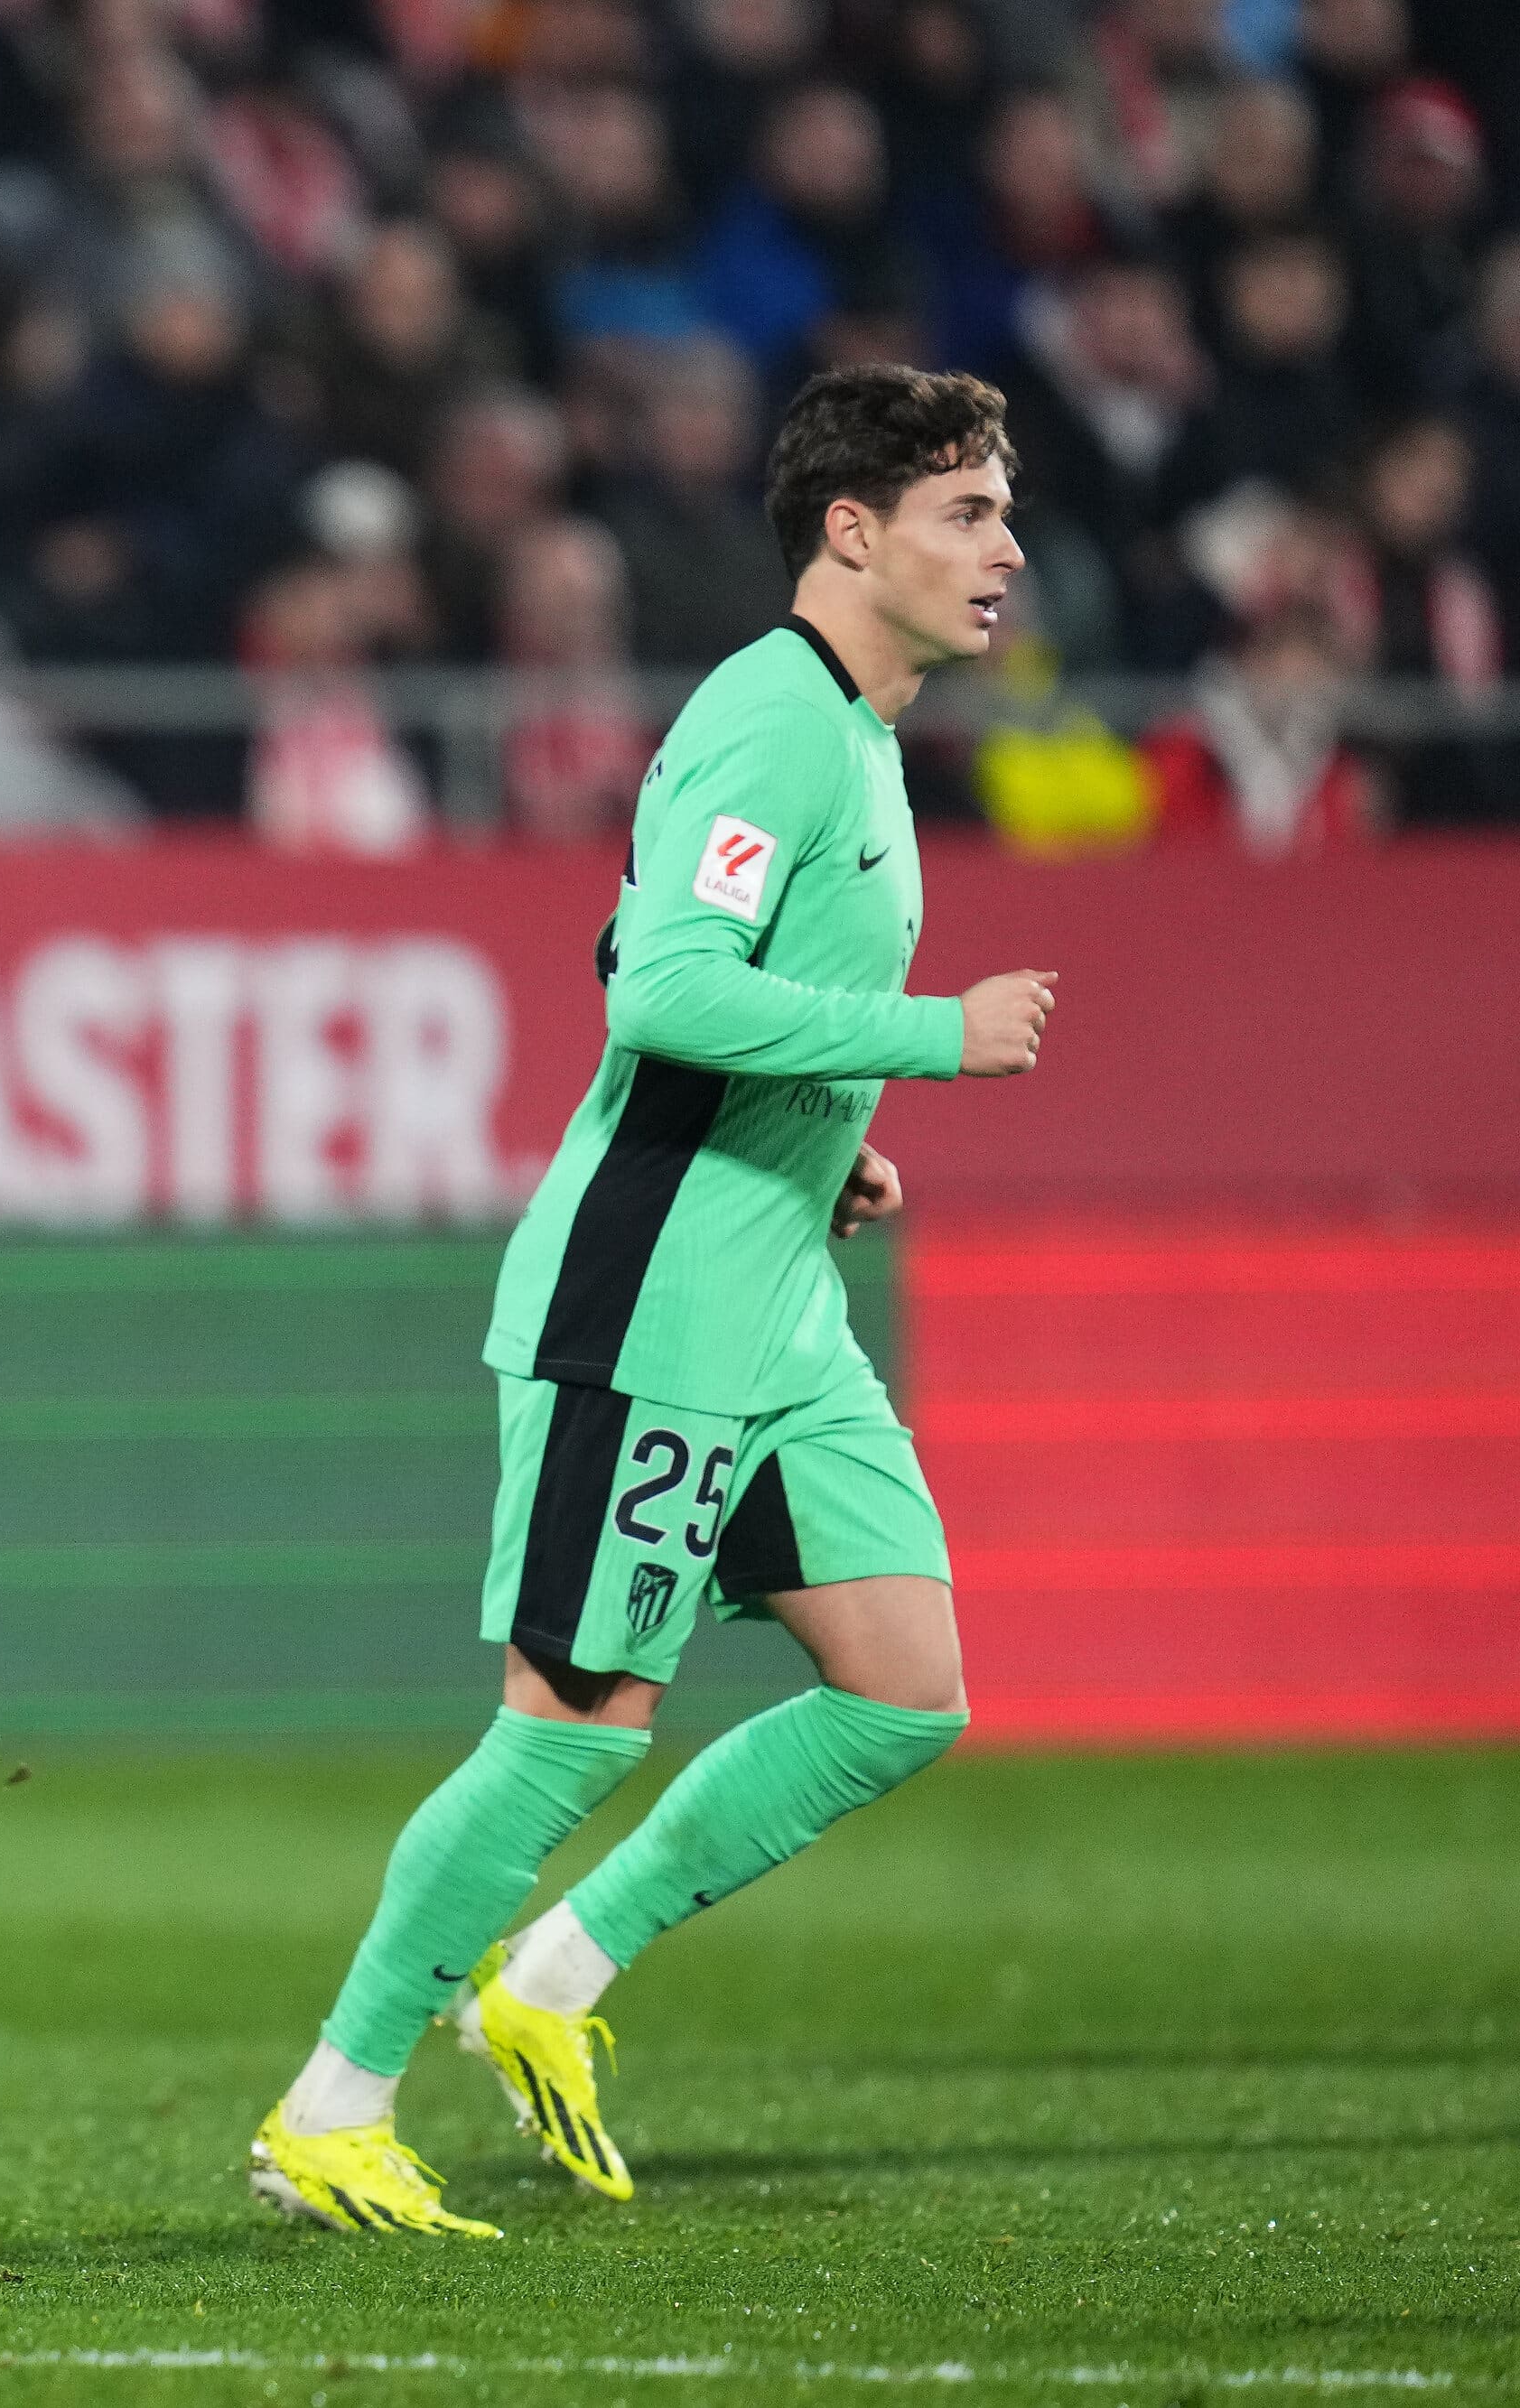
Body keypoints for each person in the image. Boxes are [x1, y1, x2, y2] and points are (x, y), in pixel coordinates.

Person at [247, 364, 1059, 2236]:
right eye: (964, 510)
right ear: (847, 532)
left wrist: (820, 1123)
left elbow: (640, 935)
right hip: (659, 1300)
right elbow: (660, 988)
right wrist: (926, 1040)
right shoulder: (773, 721)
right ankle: (329, 2099)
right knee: (569, 1719)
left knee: (901, 1685)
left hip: (776, 1294)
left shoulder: (853, 734)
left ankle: (544, 1980)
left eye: (999, 510)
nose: (1004, 548)